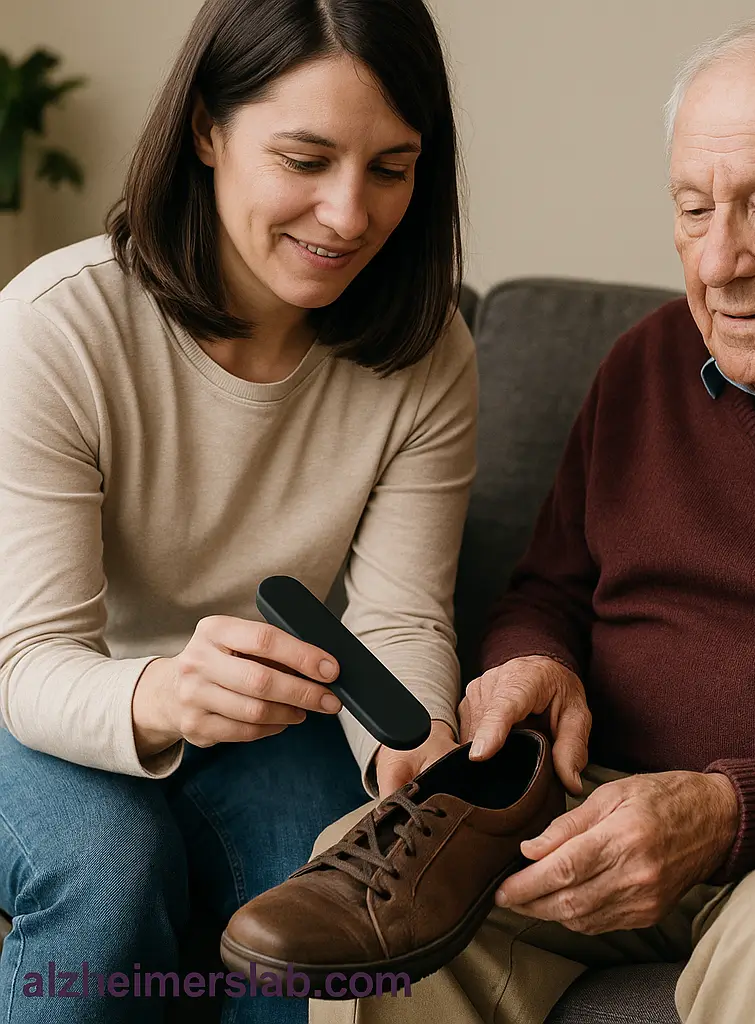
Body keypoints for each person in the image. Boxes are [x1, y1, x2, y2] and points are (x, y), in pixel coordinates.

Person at [309, 11, 755, 1024]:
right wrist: (530, 661)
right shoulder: (646, 363)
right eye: (693, 209)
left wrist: (730, 810)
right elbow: (548, 591)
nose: (718, 263)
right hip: (612, 795)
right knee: (373, 887)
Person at [0, 0, 475, 1021]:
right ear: (208, 130)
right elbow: (29, 659)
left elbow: (398, 620)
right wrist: (167, 695)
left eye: (390, 169)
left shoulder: (428, 354)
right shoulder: (56, 328)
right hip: (37, 697)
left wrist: (414, 741)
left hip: (276, 719)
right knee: (109, 869)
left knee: (313, 906)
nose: (348, 216)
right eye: (305, 160)